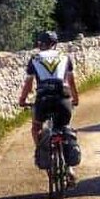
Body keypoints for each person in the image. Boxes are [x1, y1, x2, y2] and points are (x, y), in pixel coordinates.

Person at [17, 31, 80, 175]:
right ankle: (69, 168)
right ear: (55, 44)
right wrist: (75, 99)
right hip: (62, 98)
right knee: (64, 127)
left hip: (43, 99)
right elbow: (71, 82)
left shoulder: (35, 58)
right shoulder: (65, 57)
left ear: (40, 44)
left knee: (36, 127)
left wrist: (22, 100)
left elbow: (28, 84)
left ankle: (43, 153)